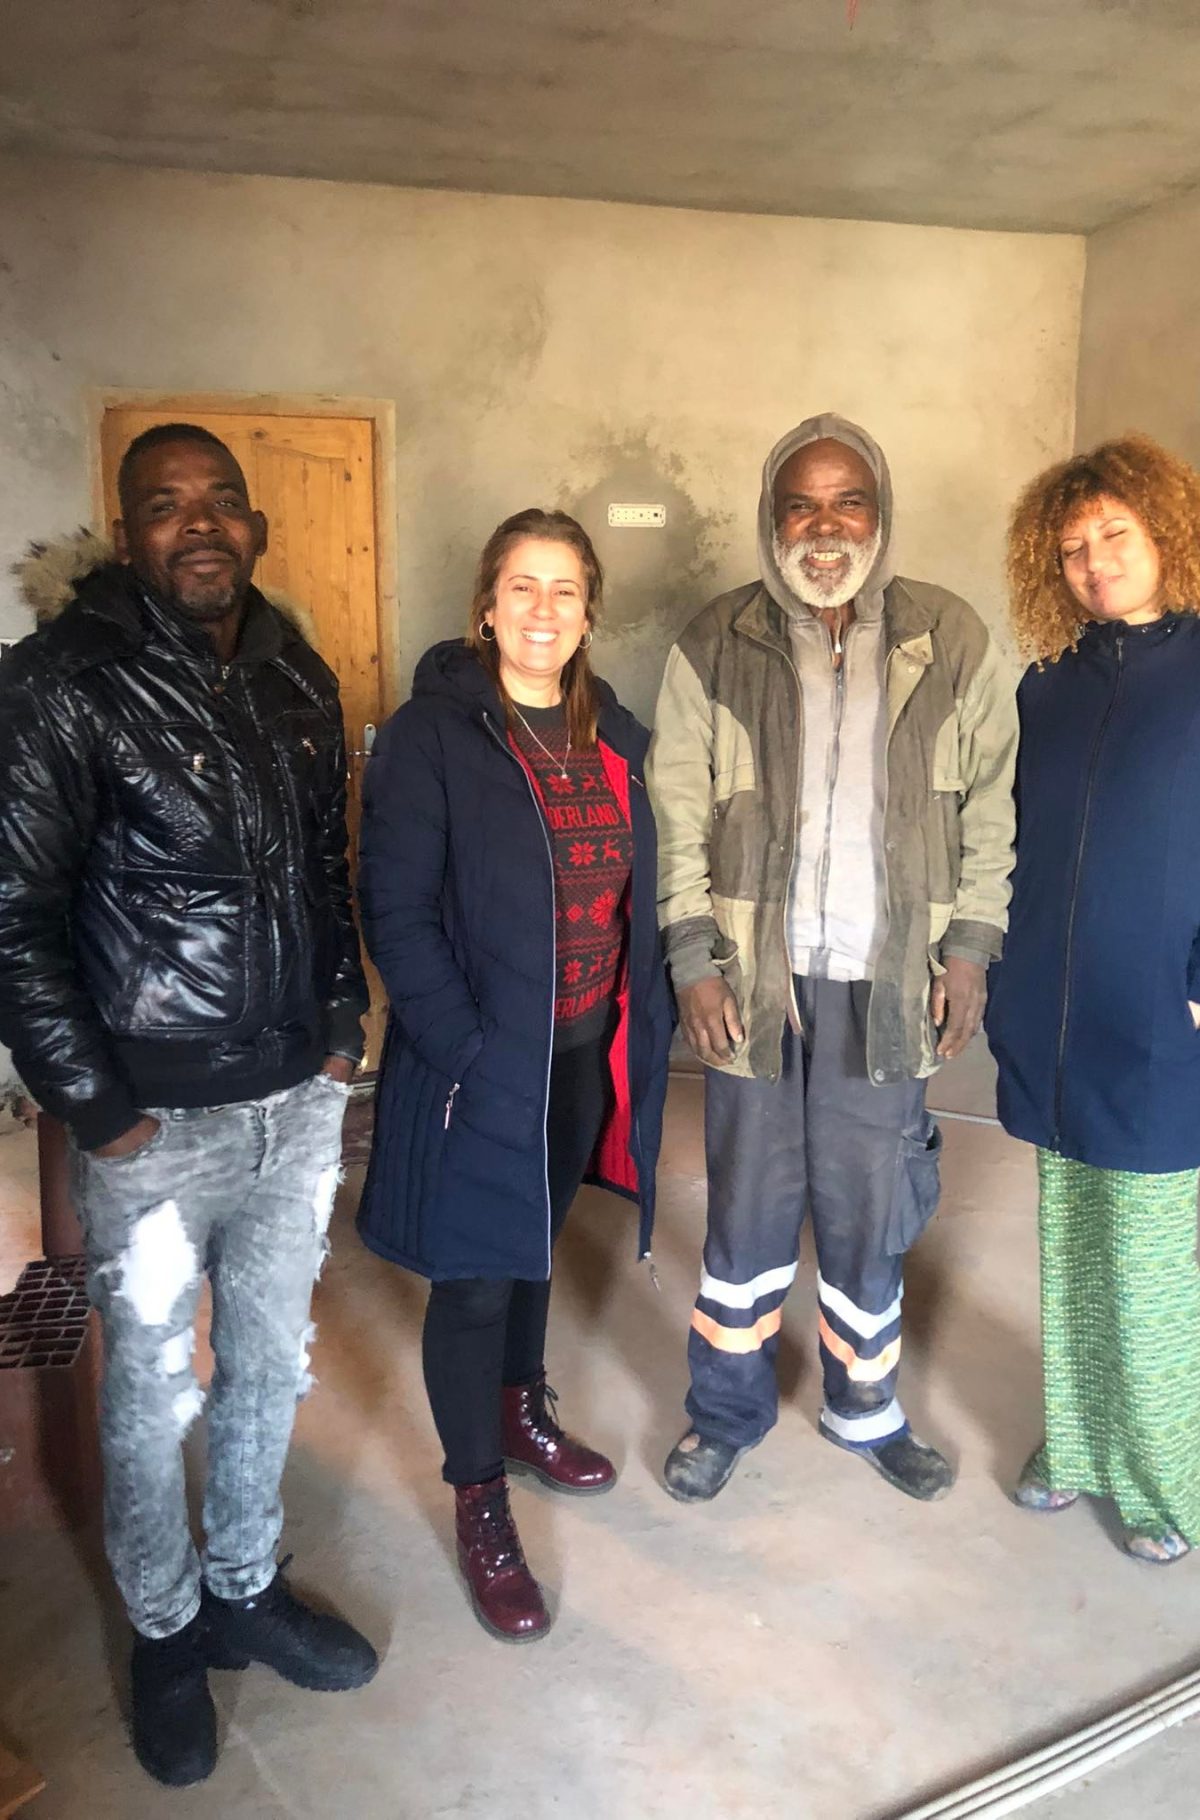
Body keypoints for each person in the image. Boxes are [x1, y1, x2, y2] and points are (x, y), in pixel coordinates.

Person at [0, 425, 378, 1787]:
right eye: (164, 506)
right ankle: (165, 1635)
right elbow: (14, 918)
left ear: (258, 525)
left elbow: (327, 870)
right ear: (125, 531)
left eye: (221, 501)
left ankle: (241, 1591)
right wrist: (100, 1112)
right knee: (154, 1393)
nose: (198, 524)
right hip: (152, 1128)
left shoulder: (295, 676)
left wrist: (340, 1026)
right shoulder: (60, 686)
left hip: (295, 1106)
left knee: (270, 1370)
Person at [647, 411, 1018, 1504]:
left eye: (847, 498)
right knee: (747, 1212)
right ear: (772, 520)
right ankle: (725, 1409)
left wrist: (973, 947)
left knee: (870, 1204)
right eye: (800, 503)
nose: (825, 524)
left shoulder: (949, 639)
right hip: (752, 982)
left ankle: (869, 1406)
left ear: (880, 512)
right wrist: (688, 953)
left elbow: (992, 809)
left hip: (890, 979)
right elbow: (674, 809)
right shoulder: (715, 641)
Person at [356, 507, 672, 1643]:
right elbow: (394, 909)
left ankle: (521, 1406)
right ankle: (480, 1496)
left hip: (580, 1049)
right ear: (486, 606)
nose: (544, 610)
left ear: (591, 612)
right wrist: (468, 1047)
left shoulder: (613, 733)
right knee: (475, 1276)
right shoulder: (433, 735)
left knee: (534, 1245)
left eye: (566, 589)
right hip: (485, 1059)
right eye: (522, 588)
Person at [988, 434, 1200, 1566]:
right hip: (1053, 1018)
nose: (1095, 561)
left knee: (1153, 1264)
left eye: (1114, 533)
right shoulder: (1049, 686)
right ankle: (1075, 1444)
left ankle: (1165, 1477)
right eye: (1072, 547)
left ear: (1164, 531)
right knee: (1071, 1243)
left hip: (1164, 1018)